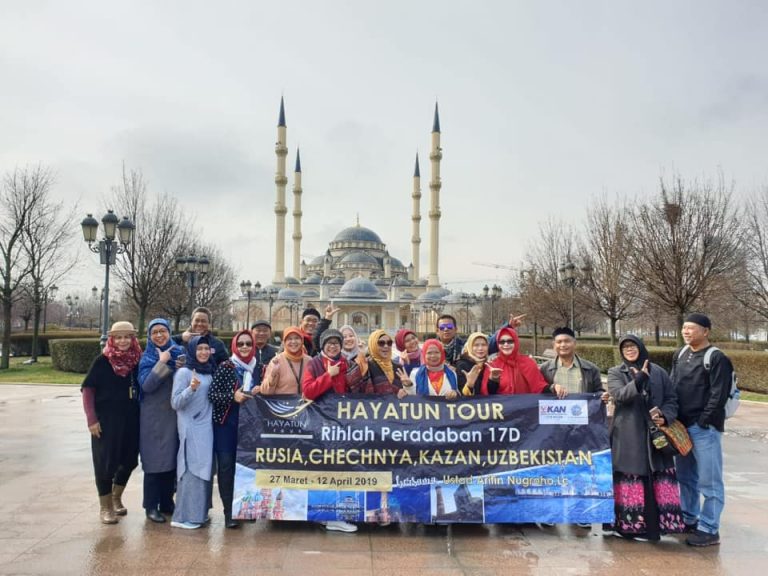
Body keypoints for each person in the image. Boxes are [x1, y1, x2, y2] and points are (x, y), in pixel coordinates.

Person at [607, 335, 685, 542]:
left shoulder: (658, 372)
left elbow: (671, 399)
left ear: (641, 348)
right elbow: (621, 395)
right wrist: (640, 378)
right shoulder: (616, 372)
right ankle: (629, 526)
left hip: (655, 435)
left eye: (633, 346)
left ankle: (658, 526)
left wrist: (665, 415)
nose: (630, 350)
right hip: (628, 434)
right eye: (625, 347)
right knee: (631, 477)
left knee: (657, 476)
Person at [672, 313, 733, 547]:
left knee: (710, 481)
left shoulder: (716, 358)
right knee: (686, 476)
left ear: (706, 331)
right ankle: (689, 518)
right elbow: (673, 384)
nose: (686, 332)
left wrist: (704, 421)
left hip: (703, 429)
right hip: (681, 427)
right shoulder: (681, 354)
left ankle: (709, 528)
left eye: (692, 328)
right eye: (684, 328)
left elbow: (719, 393)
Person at [81, 321, 142, 524]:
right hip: (105, 422)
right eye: (119, 337)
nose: (123, 341)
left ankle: (116, 497)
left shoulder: (137, 360)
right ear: (112, 339)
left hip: (131, 420)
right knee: (105, 464)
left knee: (130, 461)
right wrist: (91, 419)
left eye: (127, 337)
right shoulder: (102, 361)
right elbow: (88, 390)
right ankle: (105, 507)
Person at [300, 329, 359, 533]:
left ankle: (334, 515)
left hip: (342, 425)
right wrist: (328, 376)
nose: (333, 346)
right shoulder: (314, 364)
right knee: (325, 470)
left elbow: (357, 391)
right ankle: (327, 516)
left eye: (336, 343)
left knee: (340, 470)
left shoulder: (348, 364)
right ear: (323, 345)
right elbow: (308, 392)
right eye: (329, 343)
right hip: (320, 424)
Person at [208, 330, 257, 529]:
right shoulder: (226, 366)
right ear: (235, 346)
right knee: (227, 469)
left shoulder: (258, 368)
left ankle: (243, 509)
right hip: (227, 426)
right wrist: (232, 396)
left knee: (245, 470)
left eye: (248, 343)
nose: (245, 347)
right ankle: (229, 513)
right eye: (241, 344)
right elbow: (212, 395)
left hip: (250, 429)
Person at [138, 318, 184, 523]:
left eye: (163, 331)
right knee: (154, 462)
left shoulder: (178, 353)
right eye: (154, 332)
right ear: (149, 336)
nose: (159, 335)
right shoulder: (147, 358)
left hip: (174, 416)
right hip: (154, 417)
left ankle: (166, 501)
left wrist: (181, 365)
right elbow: (147, 385)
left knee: (171, 461)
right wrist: (162, 362)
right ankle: (150, 505)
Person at [170, 335, 216, 529]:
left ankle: (200, 513)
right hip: (192, 428)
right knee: (192, 469)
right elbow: (175, 403)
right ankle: (185, 516)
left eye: (206, 348)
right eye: (199, 349)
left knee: (204, 469)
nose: (204, 352)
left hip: (207, 427)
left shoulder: (208, 371)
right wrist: (191, 388)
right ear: (192, 351)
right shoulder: (184, 373)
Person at [539, 327, 603, 396]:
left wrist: (603, 396)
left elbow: (598, 393)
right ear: (554, 345)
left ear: (575, 343)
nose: (563, 345)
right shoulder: (544, 369)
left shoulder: (591, 369)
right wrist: (552, 388)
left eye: (567, 341)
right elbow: (539, 390)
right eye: (559, 342)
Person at [486, 327, 549, 395]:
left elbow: (540, 387)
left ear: (516, 342)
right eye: (502, 342)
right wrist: (493, 380)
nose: (506, 344)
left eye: (510, 341)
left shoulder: (528, 363)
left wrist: (553, 388)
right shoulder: (493, 364)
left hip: (525, 405)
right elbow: (487, 393)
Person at [261, 327, 311, 395]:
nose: (293, 342)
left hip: (304, 404)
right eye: (289, 339)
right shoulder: (276, 361)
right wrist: (272, 376)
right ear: (284, 342)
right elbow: (265, 392)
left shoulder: (309, 361)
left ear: (302, 340)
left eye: (296, 338)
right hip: (282, 404)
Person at [364, 329, 408, 398]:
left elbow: (408, 395)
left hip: (396, 408)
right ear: (373, 345)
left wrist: (407, 386)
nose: (386, 346)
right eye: (381, 343)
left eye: (389, 343)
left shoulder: (398, 367)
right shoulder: (366, 366)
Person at [456, 332, 493, 397]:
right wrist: (469, 385)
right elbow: (461, 395)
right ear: (470, 346)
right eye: (476, 345)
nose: (480, 348)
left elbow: (492, 392)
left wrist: (494, 380)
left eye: (484, 345)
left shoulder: (489, 364)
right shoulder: (462, 365)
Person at [250, 320, 278, 390]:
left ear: (270, 333)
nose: (261, 333)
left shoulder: (276, 353)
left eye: (265, 331)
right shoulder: (245, 351)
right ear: (251, 332)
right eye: (258, 330)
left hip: (270, 391)